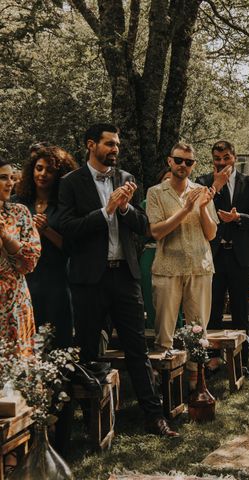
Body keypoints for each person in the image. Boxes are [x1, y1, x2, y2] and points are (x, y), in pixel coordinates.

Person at [58, 123, 178, 437]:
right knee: (86, 349)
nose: (115, 150)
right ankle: (90, 421)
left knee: (137, 348)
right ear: (90, 145)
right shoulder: (71, 183)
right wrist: (104, 211)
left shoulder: (125, 179)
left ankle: (154, 417)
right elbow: (67, 228)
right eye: (109, 144)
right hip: (89, 279)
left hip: (124, 275)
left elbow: (144, 226)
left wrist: (124, 208)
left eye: (117, 145)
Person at [195, 140, 249, 371]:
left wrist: (238, 218)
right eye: (217, 159)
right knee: (213, 310)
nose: (222, 163)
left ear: (234, 157)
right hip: (214, 255)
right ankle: (213, 360)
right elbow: (197, 212)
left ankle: (240, 363)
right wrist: (216, 186)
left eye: (226, 158)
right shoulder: (204, 183)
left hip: (241, 256)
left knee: (240, 312)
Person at [146, 142, 217, 360]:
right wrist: (186, 209)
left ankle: (197, 383)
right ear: (170, 161)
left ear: (193, 165)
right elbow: (156, 231)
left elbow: (212, 233)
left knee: (198, 330)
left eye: (188, 162)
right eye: (178, 160)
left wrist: (203, 208)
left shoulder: (201, 192)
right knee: (164, 334)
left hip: (199, 266)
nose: (182, 165)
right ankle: (165, 387)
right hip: (168, 267)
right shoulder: (155, 192)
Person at [13, 146, 77, 347]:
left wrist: (46, 230)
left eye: (50, 170)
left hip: (56, 282)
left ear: (60, 174)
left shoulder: (66, 205)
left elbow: (73, 248)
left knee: (58, 341)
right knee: (25, 341)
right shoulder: (17, 203)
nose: (43, 174)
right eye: (39, 168)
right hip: (24, 282)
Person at [0, 157, 41, 346]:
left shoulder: (20, 213)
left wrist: (6, 238)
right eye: (3, 178)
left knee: (16, 368)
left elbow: (30, 262)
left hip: (14, 303)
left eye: (12, 177)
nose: (10, 183)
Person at [140, 167, 173, 329]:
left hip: (175, 253)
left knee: (174, 301)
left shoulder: (183, 202)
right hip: (152, 252)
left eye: (171, 179)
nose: (168, 181)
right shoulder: (147, 202)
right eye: (165, 179)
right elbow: (141, 231)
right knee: (151, 298)